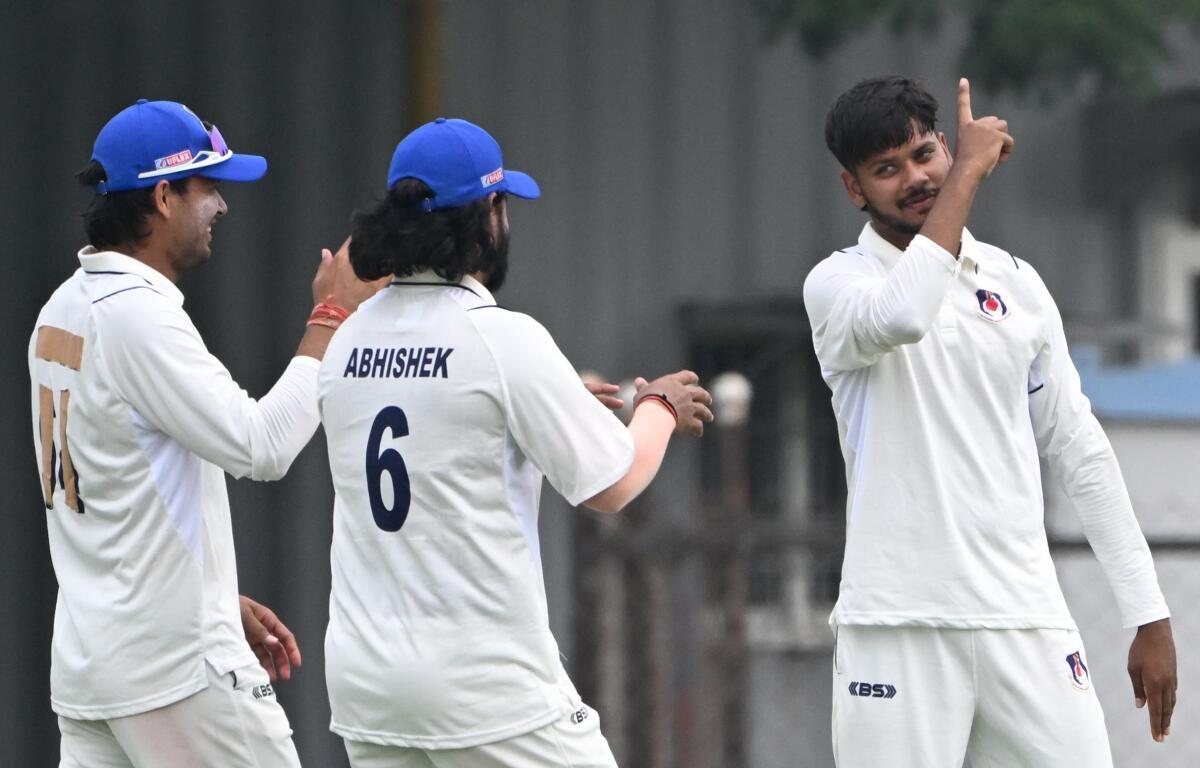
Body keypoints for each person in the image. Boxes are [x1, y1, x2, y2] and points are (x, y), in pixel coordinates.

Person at [803, 76, 1177, 766]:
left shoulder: (1016, 283)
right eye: (887, 170)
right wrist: (967, 177)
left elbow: (1078, 447)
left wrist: (1147, 611)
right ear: (854, 189)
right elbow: (906, 315)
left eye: (925, 155)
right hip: (898, 624)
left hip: (1026, 620)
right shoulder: (838, 283)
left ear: (944, 145)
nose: (915, 178)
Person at [317, 117, 714, 768]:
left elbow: (439, 427)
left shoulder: (347, 341)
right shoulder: (501, 338)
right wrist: (659, 406)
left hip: (369, 684)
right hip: (483, 684)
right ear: (486, 216)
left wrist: (543, 409)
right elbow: (615, 482)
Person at [29, 98, 380, 767]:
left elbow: (115, 487)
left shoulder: (63, 306)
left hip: (92, 668)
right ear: (163, 196)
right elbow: (263, 446)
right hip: (174, 672)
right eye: (208, 187)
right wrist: (333, 315)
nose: (221, 206)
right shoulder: (136, 315)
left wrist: (213, 593)